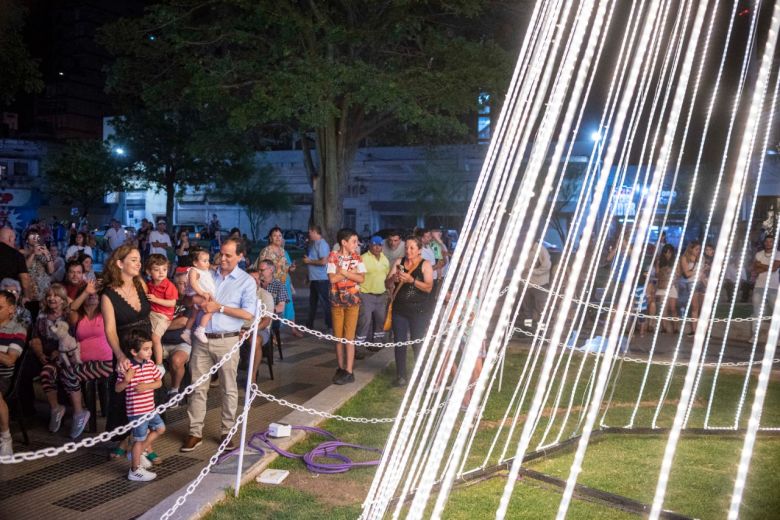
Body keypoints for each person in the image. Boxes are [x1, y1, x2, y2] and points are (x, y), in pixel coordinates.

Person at [181, 238, 256, 453]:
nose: (222, 259)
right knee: (197, 387)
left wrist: (219, 307)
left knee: (229, 388)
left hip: (227, 340)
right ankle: (195, 433)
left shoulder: (246, 281)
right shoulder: (206, 272)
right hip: (201, 340)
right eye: (221, 254)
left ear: (240, 257)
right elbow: (186, 301)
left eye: (228, 255)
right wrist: (193, 298)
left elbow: (248, 313)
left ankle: (227, 432)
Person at [101, 245, 152, 458]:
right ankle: (124, 439)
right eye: (133, 260)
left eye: (139, 259)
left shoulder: (141, 283)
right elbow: (110, 329)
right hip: (125, 347)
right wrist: (120, 355)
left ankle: (142, 443)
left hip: (146, 345)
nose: (139, 263)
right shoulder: (108, 294)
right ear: (119, 263)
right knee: (126, 395)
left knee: (148, 392)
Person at [30, 284, 92, 437]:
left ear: (63, 299)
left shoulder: (68, 315)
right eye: (49, 295)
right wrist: (39, 353)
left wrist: (60, 351)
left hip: (69, 356)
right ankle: (56, 408)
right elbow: (35, 337)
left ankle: (79, 412)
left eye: (56, 295)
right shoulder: (42, 315)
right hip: (48, 356)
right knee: (45, 373)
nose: (52, 298)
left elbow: (75, 337)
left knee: (63, 372)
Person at [115, 330, 165, 482]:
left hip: (150, 408)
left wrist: (147, 386)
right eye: (146, 349)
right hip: (137, 412)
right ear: (133, 351)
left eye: (150, 348)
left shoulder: (150, 364)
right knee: (138, 439)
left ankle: (138, 452)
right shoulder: (127, 367)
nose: (150, 352)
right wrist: (127, 380)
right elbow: (117, 389)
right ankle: (135, 470)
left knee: (160, 428)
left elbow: (159, 382)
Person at [386, 236, 434, 387]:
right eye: (406, 247)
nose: (408, 250)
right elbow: (386, 283)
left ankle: (421, 375)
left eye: (412, 248)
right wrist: (393, 279)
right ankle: (401, 376)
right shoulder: (399, 262)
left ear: (419, 250)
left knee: (417, 342)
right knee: (399, 342)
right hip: (400, 310)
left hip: (419, 310)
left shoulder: (425, 265)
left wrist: (411, 280)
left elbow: (428, 287)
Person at [326, 228, 366, 385]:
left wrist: (343, 272)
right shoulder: (333, 256)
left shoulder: (358, 257)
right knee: (338, 337)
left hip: (353, 301)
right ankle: (341, 368)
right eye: (354, 241)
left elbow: (361, 279)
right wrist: (350, 272)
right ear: (344, 242)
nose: (357, 244)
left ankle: (349, 371)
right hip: (336, 301)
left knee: (349, 337)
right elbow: (332, 279)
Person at [255, 226, 301, 337]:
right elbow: (261, 268)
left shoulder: (283, 251)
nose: (278, 238)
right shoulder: (266, 251)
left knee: (289, 306)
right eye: (275, 236)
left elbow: (289, 267)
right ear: (270, 238)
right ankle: (272, 334)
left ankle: (293, 329)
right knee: (273, 308)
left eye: (280, 235)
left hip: (285, 282)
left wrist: (292, 268)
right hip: (272, 283)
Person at [0, 290, 26, 456]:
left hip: (3, 377)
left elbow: (10, 360)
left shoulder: (17, 330)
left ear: (11, 309)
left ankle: (5, 437)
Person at [356, 236, 390, 350]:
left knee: (380, 321)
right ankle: (358, 347)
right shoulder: (363, 258)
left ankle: (376, 344)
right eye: (374, 244)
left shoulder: (385, 259)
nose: (377, 247)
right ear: (369, 245)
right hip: (366, 295)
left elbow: (386, 277)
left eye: (379, 245)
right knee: (364, 322)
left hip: (381, 295)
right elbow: (357, 276)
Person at [145, 254, 177, 372]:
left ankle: (159, 365)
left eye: (164, 269)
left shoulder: (169, 285)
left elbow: (172, 303)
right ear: (149, 271)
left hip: (163, 316)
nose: (161, 273)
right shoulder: (149, 284)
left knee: (155, 337)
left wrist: (155, 299)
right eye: (156, 270)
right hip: (152, 313)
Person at [182, 248, 217, 344]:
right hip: (199, 294)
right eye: (204, 261)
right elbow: (193, 284)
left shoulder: (205, 271)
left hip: (200, 295)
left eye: (208, 261)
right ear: (195, 263)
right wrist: (202, 293)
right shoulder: (194, 270)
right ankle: (201, 329)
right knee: (211, 310)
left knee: (193, 315)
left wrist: (212, 267)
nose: (207, 263)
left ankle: (186, 332)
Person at [245, 267, 275, 384]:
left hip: (259, 329)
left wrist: (250, 330)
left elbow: (266, 321)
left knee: (255, 341)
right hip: (238, 328)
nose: (256, 282)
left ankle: (252, 376)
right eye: (253, 279)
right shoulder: (238, 293)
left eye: (258, 279)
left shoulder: (265, 295)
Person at [256, 259, 289, 357]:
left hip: (272, 317)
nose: (260, 272)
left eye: (262, 270)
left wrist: (265, 311)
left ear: (271, 270)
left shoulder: (279, 286)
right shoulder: (255, 283)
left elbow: (281, 307)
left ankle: (260, 351)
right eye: (259, 270)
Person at [302, 224, 332, 331]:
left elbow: (324, 261)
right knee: (312, 303)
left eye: (310, 232)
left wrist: (309, 261)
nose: (308, 234)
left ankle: (330, 326)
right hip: (315, 278)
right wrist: (308, 276)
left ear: (314, 232)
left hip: (321, 279)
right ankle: (309, 324)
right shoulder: (314, 244)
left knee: (325, 303)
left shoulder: (322, 244)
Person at [751, 235, 780, 339]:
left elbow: (774, 269)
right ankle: (754, 335)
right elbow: (755, 270)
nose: (768, 243)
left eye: (771, 242)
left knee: (777, 312)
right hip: (759, 286)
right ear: (764, 242)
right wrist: (769, 266)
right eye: (767, 241)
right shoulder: (759, 254)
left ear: (774, 243)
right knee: (756, 312)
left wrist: (761, 265)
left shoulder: (778, 254)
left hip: (773, 287)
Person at [520, 241, 551, 330]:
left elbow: (546, 265)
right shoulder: (523, 247)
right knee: (526, 308)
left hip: (540, 283)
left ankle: (542, 330)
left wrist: (533, 271)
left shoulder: (540, 249)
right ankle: (527, 328)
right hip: (525, 282)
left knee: (541, 308)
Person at [22, 229, 54, 308]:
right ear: (26, 240)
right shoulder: (22, 252)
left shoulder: (43, 252)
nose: (35, 238)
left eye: (37, 236)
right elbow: (24, 268)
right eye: (32, 236)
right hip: (30, 292)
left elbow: (51, 271)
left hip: (44, 291)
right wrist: (33, 253)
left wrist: (47, 254)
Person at [0, 228, 32, 306]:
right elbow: (24, 279)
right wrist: (27, 297)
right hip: (7, 299)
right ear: (10, 238)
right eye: (14, 239)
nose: (14, 242)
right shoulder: (16, 255)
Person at [678, 241, 703, 336]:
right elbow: (687, 274)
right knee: (695, 307)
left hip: (701, 282)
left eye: (699, 249)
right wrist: (698, 271)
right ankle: (694, 330)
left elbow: (703, 273)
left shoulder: (701, 258)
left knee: (702, 307)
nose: (698, 251)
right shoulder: (684, 258)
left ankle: (703, 330)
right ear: (691, 249)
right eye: (696, 249)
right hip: (692, 283)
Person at [655, 244, 680, 334]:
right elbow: (657, 274)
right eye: (666, 252)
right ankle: (664, 328)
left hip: (672, 285)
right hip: (663, 286)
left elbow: (678, 274)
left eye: (669, 252)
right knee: (663, 308)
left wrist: (672, 272)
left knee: (673, 308)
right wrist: (658, 266)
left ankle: (676, 328)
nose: (667, 254)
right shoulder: (660, 261)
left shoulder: (675, 261)